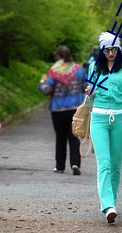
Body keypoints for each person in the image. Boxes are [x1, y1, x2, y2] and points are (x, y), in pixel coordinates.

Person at [85, 32, 122, 223]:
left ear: (119, 50)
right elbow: (90, 97)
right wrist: (90, 92)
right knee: (104, 163)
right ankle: (107, 205)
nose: (110, 53)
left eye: (114, 50)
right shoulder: (93, 67)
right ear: (101, 51)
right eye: (106, 50)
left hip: (120, 119)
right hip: (98, 118)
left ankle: (112, 201)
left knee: (116, 164)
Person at [39, 45, 87, 175]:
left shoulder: (54, 71)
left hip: (58, 109)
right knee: (74, 136)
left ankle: (60, 167)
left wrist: (42, 83)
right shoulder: (79, 70)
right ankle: (75, 163)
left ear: (58, 57)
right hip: (75, 109)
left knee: (60, 138)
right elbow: (86, 87)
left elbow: (47, 90)